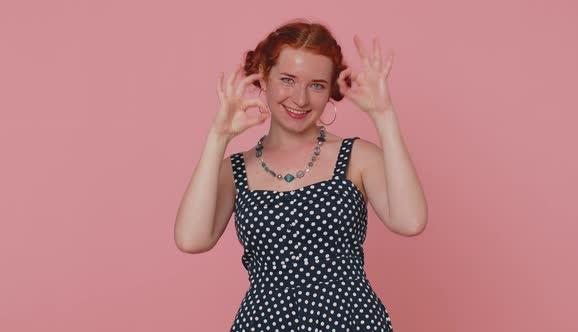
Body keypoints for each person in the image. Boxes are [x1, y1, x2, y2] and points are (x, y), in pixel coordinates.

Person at [174, 19, 428, 331]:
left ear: (330, 91)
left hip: (350, 322)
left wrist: (384, 116)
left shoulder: (357, 157)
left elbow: (410, 221)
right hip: (264, 323)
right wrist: (218, 137)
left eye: (317, 85)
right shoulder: (235, 170)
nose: (301, 98)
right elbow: (190, 239)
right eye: (288, 80)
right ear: (264, 78)